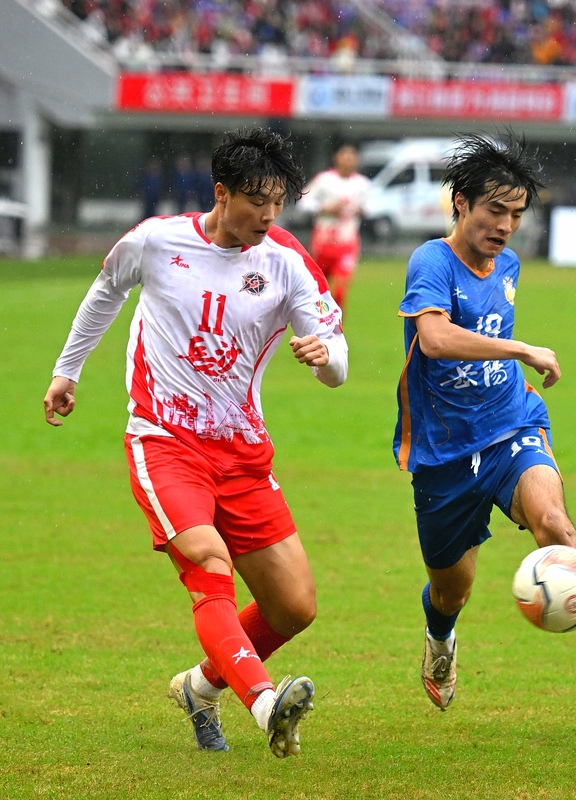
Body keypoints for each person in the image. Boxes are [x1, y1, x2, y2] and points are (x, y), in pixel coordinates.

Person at [43, 127, 348, 758]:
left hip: (242, 453)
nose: (268, 215)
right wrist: (66, 372)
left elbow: (337, 362)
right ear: (221, 192)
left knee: (293, 606)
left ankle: (201, 686)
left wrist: (325, 358)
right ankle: (264, 703)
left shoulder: (286, 261)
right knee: (210, 564)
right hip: (165, 442)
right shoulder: (157, 241)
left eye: (278, 203)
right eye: (257, 201)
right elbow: (105, 292)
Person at [393, 132, 576, 720]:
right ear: (460, 202)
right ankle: (440, 637)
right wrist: (521, 349)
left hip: (512, 426)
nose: (506, 226)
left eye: (515, 214)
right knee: (452, 590)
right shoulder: (431, 262)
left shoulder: (508, 264)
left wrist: (514, 366)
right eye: (495, 210)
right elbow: (433, 339)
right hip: (443, 452)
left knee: (556, 524)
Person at [297, 143, 371, 315]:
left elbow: (372, 206)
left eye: (351, 157)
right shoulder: (324, 180)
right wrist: (325, 208)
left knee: (340, 290)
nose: (348, 160)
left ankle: (336, 326)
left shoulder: (363, 184)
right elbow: (303, 202)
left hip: (347, 243)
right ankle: (318, 322)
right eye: (344, 156)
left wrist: (362, 210)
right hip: (323, 242)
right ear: (336, 158)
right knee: (317, 291)